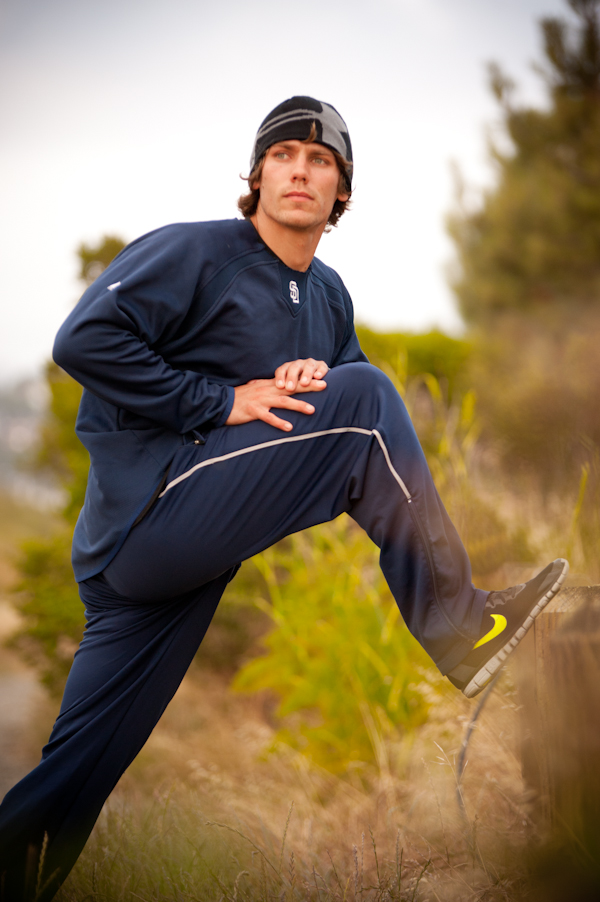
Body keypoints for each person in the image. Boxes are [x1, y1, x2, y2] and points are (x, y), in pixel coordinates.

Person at [0, 96, 568, 901]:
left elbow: (360, 432)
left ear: (341, 192)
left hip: (175, 568)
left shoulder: (328, 297)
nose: (301, 170)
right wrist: (219, 400)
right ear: (257, 174)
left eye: (321, 160)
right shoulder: (198, 253)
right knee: (369, 399)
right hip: (150, 518)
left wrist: (314, 379)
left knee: (77, 772)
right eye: (284, 156)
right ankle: (461, 628)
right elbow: (82, 339)